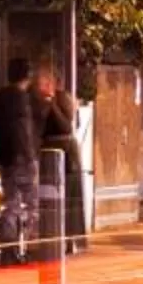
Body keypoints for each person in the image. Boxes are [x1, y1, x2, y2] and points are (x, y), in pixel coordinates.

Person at [0, 58, 43, 267]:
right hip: (24, 159)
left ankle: (8, 252)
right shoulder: (23, 100)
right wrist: (30, 155)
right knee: (33, 205)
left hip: (7, 161)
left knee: (11, 205)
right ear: (28, 76)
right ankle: (33, 249)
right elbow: (25, 133)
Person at [36, 67, 88, 256]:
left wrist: (51, 104)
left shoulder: (62, 99)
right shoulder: (42, 101)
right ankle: (57, 238)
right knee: (52, 197)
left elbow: (66, 126)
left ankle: (70, 240)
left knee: (69, 199)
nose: (40, 85)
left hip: (66, 157)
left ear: (52, 83)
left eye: (44, 81)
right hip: (51, 155)